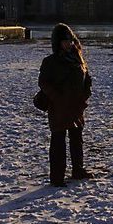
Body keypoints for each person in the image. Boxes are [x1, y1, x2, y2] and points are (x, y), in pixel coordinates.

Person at [38, 23, 93, 187]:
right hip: (59, 107)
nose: (68, 43)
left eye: (70, 40)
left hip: (76, 106)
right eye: (65, 41)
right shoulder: (50, 62)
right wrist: (57, 97)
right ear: (57, 42)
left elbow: (86, 77)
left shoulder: (77, 58)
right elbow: (43, 82)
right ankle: (57, 177)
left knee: (77, 139)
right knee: (58, 142)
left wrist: (86, 93)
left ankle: (78, 170)